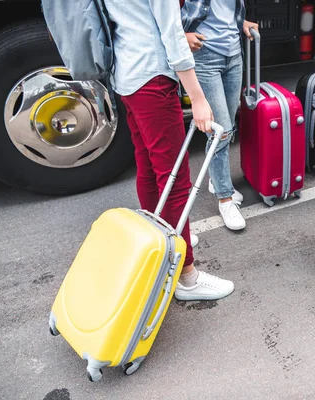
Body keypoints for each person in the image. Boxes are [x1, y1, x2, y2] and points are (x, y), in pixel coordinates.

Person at [103, 0, 235, 301]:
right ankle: (187, 276)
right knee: (175, 178)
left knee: (149, 168)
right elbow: (172, 35)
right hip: (153, 78)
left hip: (127, 77)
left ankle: (163, 242)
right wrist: (198, 99)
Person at [181, 0, 259, 231]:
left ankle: (216, 180)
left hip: (234, 54)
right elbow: (162, 11)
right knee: (220, 132)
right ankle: (225, 199)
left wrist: (241, 22)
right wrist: (179, 34)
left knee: (228, 126)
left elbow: (224, 11)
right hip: (205, 55)